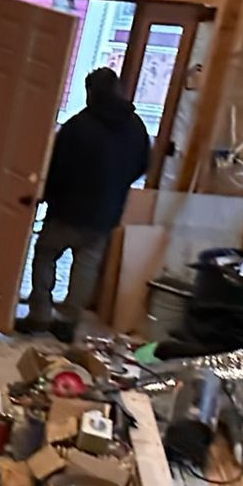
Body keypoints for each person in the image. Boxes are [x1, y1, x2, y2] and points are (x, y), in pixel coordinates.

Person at [22, 66, 151, 342]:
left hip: (67, 210)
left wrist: (46, 197)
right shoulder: (136, 126)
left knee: (45, 255)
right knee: (86, 267)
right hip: (105, 213)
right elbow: (142, 165)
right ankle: (68, 321)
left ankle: (39, 316)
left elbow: (56, 169)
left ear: (91, 92)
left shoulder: (77, 126)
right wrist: (117, 185)